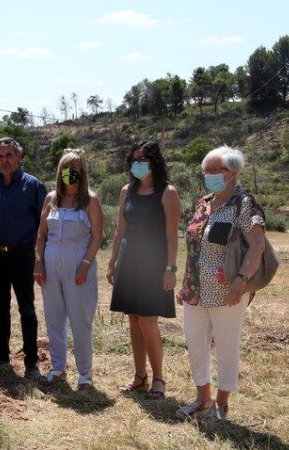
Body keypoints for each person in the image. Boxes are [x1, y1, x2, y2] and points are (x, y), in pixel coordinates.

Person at [176, 145, 267, 421]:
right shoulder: (204, 202)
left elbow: (257, 246)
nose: (211, 175)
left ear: (234, 173)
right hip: (195, 289)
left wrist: (241, 281)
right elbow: (194, 246)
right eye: (207, 170)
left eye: (217, 170)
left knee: (227, 344)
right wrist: (184, 283)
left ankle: (221, 404)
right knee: (194, 342)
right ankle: (203, 399)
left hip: (227, 289)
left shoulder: (243, 203)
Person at [107, 140, 181, 399]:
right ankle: (140, 377)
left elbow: (172, 234)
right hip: (129, 262)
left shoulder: (167, 192)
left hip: (154, 263)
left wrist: (170, 267)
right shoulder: (126, 190)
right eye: (134, 160)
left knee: (149, 324)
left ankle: (159, 379)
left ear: (155, 162)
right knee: (134, 322)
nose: (137, 164)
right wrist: (112, 260)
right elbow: (119, 230)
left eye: (143, 159)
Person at [34, 149, 103, 389]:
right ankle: (57, 367)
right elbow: (42, 235)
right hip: (51, 261)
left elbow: (97, 236)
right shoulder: (51, 198)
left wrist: (85, 263)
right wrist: (38, 260)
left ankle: (85, 374)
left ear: (82, 173)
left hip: (78, 262)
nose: (69, 174)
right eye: (66, 169)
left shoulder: (90, 200)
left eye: (75, 170)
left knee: (80, 319)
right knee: (54, 316)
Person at [0, 137, 47, 379]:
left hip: (24, 254)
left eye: (9, 155)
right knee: (0, 308)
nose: (4, 160)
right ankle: (1, 356)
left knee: (27, 308)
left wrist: (41, 257)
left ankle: (31, 361)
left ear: (19, 158)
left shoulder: (33, 186)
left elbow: (44, 224)